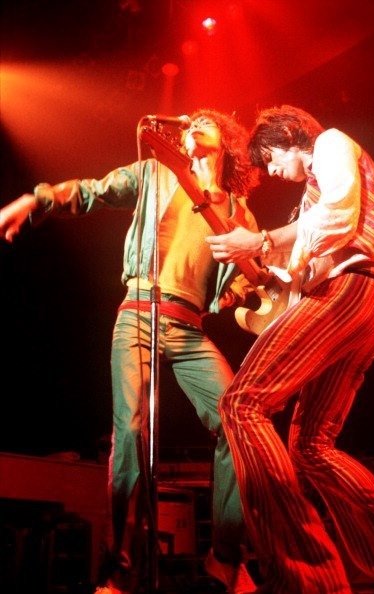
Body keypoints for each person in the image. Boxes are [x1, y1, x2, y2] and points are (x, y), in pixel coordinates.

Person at [0, 109, 260, 594]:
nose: (191, 122)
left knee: (237, 421)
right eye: (188, 120)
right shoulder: (155, 174)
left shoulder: (238, 211)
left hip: (189, 327)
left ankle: (226, 556)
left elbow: (247, 282)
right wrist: (33, 200)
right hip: (139, 313)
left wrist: (244, 293)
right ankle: (120, 569)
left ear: (225, 139)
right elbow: (92, 192)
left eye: (204, 118)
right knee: (133, 433)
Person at [206, 105, 374, 593]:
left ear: (291, 138)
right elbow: (300, 270)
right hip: (365, 302)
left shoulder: (330, 143)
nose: (271, 171)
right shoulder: (304, 203)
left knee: (242, 403)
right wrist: (259, 274)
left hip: (348, 290)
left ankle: (308, 577)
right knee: (311, 447)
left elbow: (338, 213)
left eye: (270, 158)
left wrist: (262, 239)